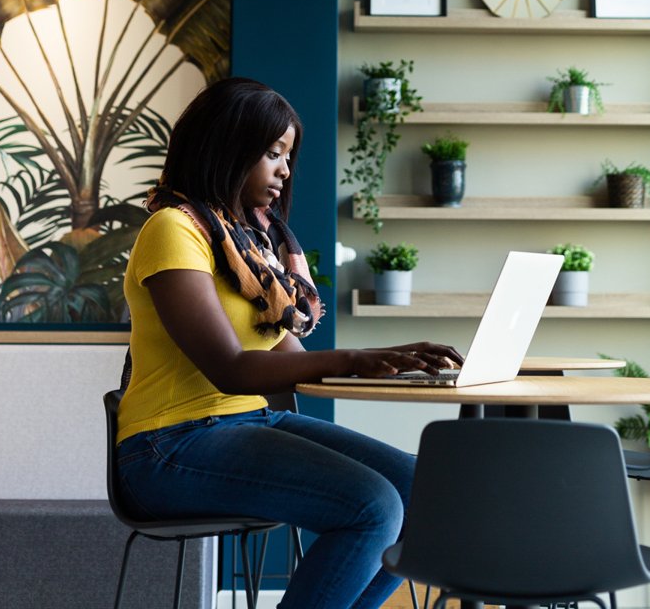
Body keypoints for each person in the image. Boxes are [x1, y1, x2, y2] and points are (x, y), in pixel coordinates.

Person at [115, 76, 461, 609]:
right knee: (372, 508)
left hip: (245, 422)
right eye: (273, 153)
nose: (285, 170)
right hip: (168, 445)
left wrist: (396, 360)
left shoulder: (250, 247)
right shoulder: (172, 229)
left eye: (288, 155)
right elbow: (228, 368)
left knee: (426, 493)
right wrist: (357, 357)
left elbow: (292, 365)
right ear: (227, 145)